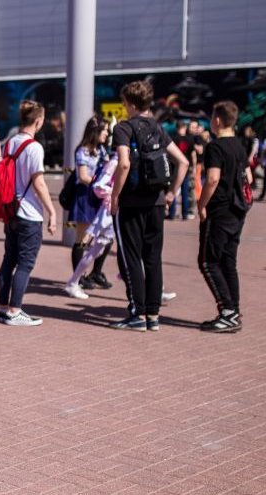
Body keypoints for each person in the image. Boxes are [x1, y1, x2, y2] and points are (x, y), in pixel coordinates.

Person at [109, 80, 189, 332]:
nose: (124, 108)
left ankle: (137, 313)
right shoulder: (158, 128)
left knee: (131, 256)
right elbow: (183, 162)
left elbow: (123, 164)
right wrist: (172, 193)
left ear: (131, 104)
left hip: (132, 202)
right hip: (156, 201)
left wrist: (114, 196)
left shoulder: (124, 128)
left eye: (124, 104)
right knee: (153, 258)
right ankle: (153, 315)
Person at [0, 100, 58, 326]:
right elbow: (38, 182)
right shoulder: (34, 147)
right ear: (38, 121)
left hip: (11, 209)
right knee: (25, 263)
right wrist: (52, 211)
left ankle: (2, 308)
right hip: (29, 213)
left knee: (8, 260)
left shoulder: (10, 143)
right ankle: (14, 310)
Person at [197, 101, 252, 333]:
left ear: (217, 120)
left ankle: (227, 311)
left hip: (219, 210)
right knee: (228, 261)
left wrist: (202, 204)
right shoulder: (240, 146)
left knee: (208, 261)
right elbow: (248, 176)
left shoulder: (215, 147)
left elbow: (212, 179)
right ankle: (233, 310)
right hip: (238, 210)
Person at [66, 117, 111, 294]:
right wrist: (100, 182)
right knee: (82, 239)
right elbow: (83, 176)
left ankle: (95, 272)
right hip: (85, 196)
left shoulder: (102, 150)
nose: (107, 134)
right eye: (104, 130)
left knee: (106, 237)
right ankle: (79, 277)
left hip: (98, 197)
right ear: (95, 131)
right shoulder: (83, 151)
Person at [66, 154, 118, 299]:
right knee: (93, 249)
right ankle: (73, 281)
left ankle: (153, 288)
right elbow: (98, 186)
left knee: (134, 249)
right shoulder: (114, 162)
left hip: (122, 211)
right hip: (109, 213)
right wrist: (114, 194)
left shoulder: (130, 157)